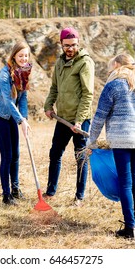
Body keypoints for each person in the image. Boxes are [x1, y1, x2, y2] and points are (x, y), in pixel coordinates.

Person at [87, 53, 135, 239]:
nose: (109, 68)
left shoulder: (113, 85)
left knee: (125, 182)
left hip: (122, 140)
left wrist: (91, 141)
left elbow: (99, 117)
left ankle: (129, 228)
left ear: (117, 65)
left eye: (110, 65)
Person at [43, 27, 95, 207]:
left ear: (78, 44)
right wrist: (48, 106)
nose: (70, 48)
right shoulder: (59, 63)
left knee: (80, 157)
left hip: (81, 120)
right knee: (55, 153)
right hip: (63, 119)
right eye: (66, 45)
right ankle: (50, 192)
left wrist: (79, 120)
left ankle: (79, 197)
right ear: (61, 45)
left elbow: (88, 94)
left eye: (73, 45)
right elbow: (54, 89)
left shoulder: (85, 63)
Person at [0, 42, 32, 206]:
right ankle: (6, 196)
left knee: (15, 155)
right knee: (7, 156)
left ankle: (15, 189)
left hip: (12, 119)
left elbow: (23, 99)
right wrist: (20, 120)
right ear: (14, 55)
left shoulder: (25, 73)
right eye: (21, 55)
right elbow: (8, 101)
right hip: (0, 117)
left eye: (26, 55)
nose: (24, 58)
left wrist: (25, 119)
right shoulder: (4, 74)